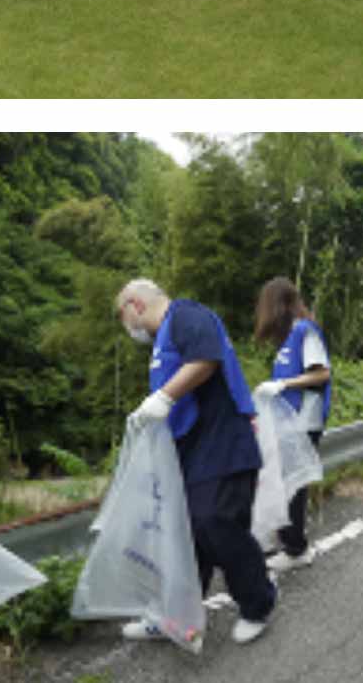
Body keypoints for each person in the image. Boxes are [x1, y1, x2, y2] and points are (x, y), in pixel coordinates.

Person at [114, 278, 276, 648]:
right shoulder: (163, 339)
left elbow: (206, 358)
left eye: (124, 318)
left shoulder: (185, 315)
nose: (128, 328)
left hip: (222, 444)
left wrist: (163, 398)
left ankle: (258, 602)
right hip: (190, 452)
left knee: (214, 521)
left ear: (135, 306)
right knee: (183, 537)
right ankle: (173, 617)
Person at [254, 276, 331, 572]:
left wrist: (283, 384)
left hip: (305, 417)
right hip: (288, 420)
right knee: (285, 480)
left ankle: (296, 549)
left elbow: (321, 373)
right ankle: (289, 541)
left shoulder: (304, 330)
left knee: (294, 483)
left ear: (279, 304)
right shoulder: (287, 339)